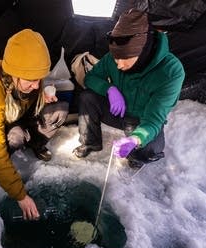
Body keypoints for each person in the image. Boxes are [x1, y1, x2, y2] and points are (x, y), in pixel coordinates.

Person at [0, 29, 69, 220]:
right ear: (13, 74)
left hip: (21, 113)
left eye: (39, 79)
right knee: (15, 138)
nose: (36, 84)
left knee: (59, 111)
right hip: (3, 122)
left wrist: (45, 91)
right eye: (31, 80)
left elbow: (37, 81)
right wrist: (20, 195)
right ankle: (7, 169)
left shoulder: (28, 75)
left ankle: (35, 143)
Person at [73, 9, 185, 168]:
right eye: (116, 58)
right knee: (87, 97)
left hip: (141, 120)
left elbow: (153, 120)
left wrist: (136, 138)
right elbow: (90, 78)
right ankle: (91, 142)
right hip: (117, 112)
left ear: (143, 51)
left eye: (125, 58)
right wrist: (109, 89)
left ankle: (136, 157)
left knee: (149, 150)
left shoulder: (171, 71)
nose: (118, 64)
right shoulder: (114, 58)